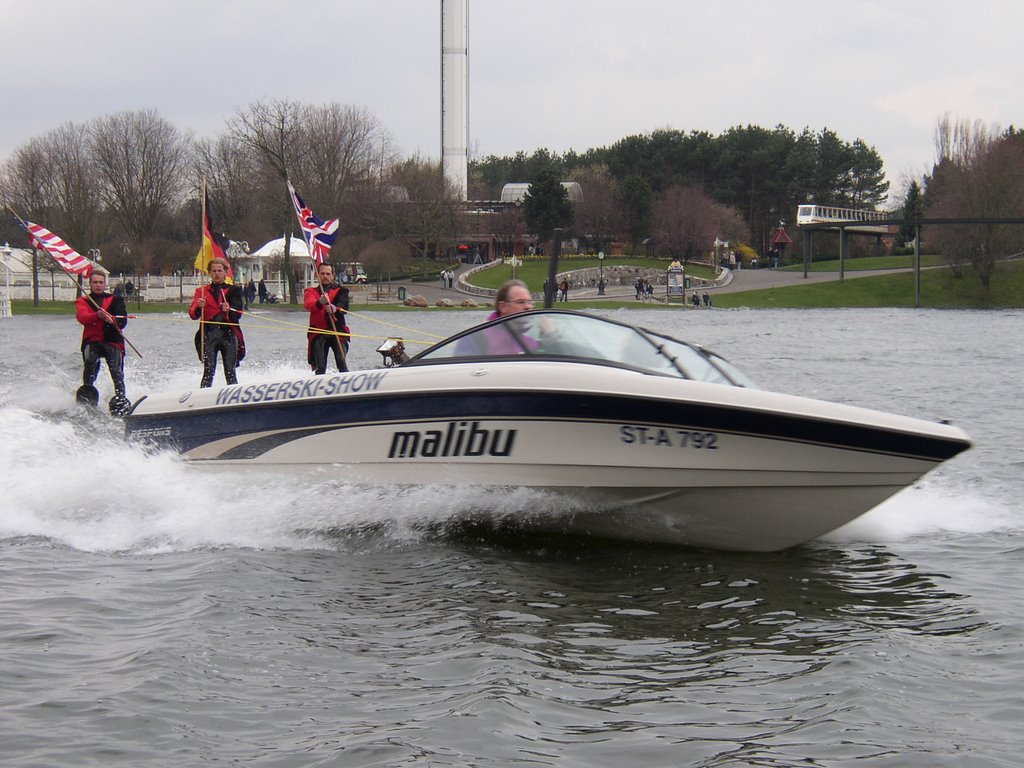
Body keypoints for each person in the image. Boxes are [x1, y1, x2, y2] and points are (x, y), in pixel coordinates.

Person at [76, 271, 130, 415]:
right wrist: (97, 315)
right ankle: (88, 391)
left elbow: (122, 321)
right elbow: (82, 317)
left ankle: (120, 397)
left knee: (116, 371)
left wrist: (113, 321)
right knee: (90, 363)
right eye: (95, 282)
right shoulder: (84, 301)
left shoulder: (115, 300)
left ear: (105, 284)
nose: (98, 285)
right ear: (90, 284)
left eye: (101, 282)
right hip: (92, 341)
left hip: (113, 341)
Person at [189, 258, 245, 388]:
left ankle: (233, 398)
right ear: (209, 273)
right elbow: (193, 315)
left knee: (230, 372)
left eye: (220, 270)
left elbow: (238, 314)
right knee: (208, 371)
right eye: (214, 271)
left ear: (225, 272)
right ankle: (203, 397)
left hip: (228, 335)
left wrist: (229, 309)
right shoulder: (201, 291)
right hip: (209, 335)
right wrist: (199, 306)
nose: (217, 274)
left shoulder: (234, 291)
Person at [304, 262, 350, 374]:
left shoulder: (341, 291)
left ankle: (346, 382)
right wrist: (319, 302)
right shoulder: (311, 292)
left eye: (328, 274)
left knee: (341, 361)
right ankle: (319, 385)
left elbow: (344, 304)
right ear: (317, 275)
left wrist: (335, 308)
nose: (325, 276)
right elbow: (308, 304)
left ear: (333, 275)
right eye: (322, 273)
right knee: (320, 366)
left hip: (337, 332)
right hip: (319, 333)